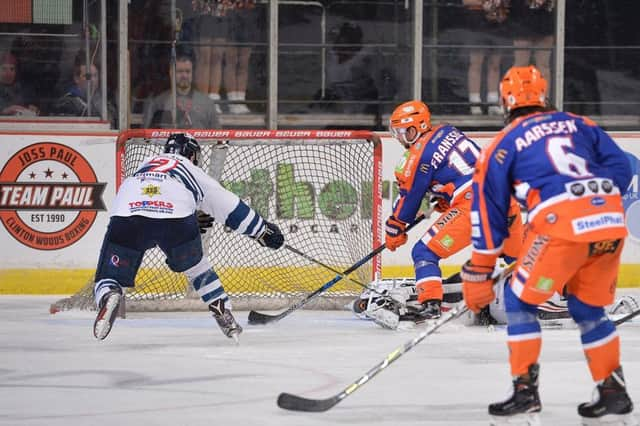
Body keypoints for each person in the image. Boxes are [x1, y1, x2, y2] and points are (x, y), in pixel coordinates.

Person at [461, 65, 634, 424]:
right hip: (609, 223)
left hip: (560, 228)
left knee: (519, 300)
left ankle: (525, 391)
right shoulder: (579, 123)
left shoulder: (502, 144)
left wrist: (478, 270)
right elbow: (620, 167)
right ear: (543, 95)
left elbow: (489, 212)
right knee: (587, 310)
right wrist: (592, 200)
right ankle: (613, 391)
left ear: (506, 101)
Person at [92, 132, 284, 342]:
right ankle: (223, 313)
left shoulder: (146, 164)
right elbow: (230, 208)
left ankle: (109, 293)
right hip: (176, 221)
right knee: (197, 267)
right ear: (192, 155)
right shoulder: (190, 169)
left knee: (108, 276)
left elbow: (153, 194)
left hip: (127, 215)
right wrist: (262, 231)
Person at [384, 100, 523, 321]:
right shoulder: (448, 131)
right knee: (520, 260)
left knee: (424, 253)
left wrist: (395, 226)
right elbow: (461, 170)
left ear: (416, 128)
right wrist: (448, 195)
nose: (400, 138)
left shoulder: (414, 157)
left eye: (402, 132)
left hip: (476, 205)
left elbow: (409, 200)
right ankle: (565, 294)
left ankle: (430, 305)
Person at [190, 0, 256, 114]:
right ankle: (203, 101)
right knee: (205, 57)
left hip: (224, 12)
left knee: (217, 57)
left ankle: (217, 99)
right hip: (205, 10)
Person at [142, 54, 221, 129]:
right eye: (180, 71)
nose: (184, 76)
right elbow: (146, 136)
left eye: (187, 71)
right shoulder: (159, 102)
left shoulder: (206, 103)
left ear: (192, 73)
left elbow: (218, 135)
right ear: (171, 73)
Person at [461, 0, 510, 115]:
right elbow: (466, 2)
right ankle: (474, 103)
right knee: (476, 63)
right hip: (477, 23)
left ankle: (493, 102)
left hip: (498, 23)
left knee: (495, 64)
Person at [53, 55, 115, 122]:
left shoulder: (103, 99)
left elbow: (113, 119)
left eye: (95, 75)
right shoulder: (67, 102)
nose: (93, 80)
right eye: (88, 76)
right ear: (76, 78)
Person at [508, 0, 554, 85]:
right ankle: (516, 95)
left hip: (544, 25)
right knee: (521, 64)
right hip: (522, 24)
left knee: (544, 66)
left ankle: (544, 97)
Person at [0, 51, 39, 117]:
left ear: (16, 71)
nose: (8, 73)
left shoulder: (25, 89)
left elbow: (36, 110)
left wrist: (34, 109)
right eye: (4, 69)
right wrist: (4, 111)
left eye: (12, 69)